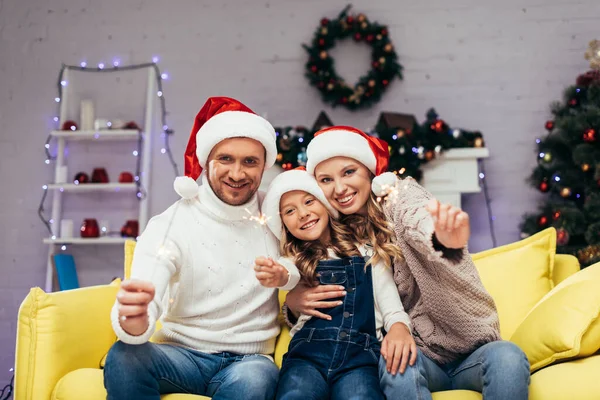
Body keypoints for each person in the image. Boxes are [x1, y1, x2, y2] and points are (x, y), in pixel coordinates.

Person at [283, 126, 531, 400]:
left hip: (471, 346)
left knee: (508, 357)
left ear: (370, 173)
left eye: (349, 172)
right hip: (417, 354)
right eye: (326, 180)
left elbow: (420, 221)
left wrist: (442, 239)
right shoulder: (335, 233)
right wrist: (292, 304)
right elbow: (306, 279)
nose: (340, 188)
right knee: (394, 367)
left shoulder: (399, 197)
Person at [103, 97, 294, 400]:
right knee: (123, 356)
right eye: (225, 159)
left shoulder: (278, 216)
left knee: (257, 379)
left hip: (248, 362)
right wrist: (135, 322)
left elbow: (311, 261)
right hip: (179, 356)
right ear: (207, 162)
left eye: (250, 161)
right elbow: (147, 288)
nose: (237, 174)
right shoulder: (172, 222)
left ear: (264, 165)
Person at [254, 168, 416, 400]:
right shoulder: (293, 260)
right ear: (284, 225)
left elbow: (390, 303)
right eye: (290, 211)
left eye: (309, 201)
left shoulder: (366, 251)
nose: (303, 213)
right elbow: (288, 276)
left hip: (359, 359)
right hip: (307, 357)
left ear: (325, 205)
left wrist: (399, 327)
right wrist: (279, 277)